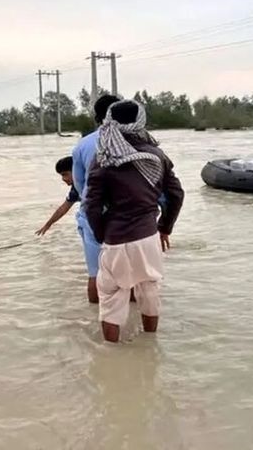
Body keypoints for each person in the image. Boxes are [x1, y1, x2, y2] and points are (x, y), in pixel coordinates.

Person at [85, 100, 184, 343]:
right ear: (141, 121)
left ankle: (111, 354)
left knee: (110, 298)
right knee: (149, 290)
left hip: (116, 238)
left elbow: (91, 205)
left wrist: (101, 234)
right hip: (149, 236)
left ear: (109, 120)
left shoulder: (104, 158)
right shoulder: (158, 155)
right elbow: (176, 195)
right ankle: (150, 344)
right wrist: (165, 228)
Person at [72, 94, 121, 303]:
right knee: (133, 277)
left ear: (96, 117)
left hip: (93, 214)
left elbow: (80, 184)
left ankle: (94, 324)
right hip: (127, 217)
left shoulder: (82, 145)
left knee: (95, 273)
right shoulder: (137, 141)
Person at [35, 156, 80, 236]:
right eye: (61, 175)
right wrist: (48, 224)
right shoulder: (76, 189)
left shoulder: (91, 183)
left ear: (76, 171)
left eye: (65, 174)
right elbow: (63, 208)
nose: (63, 179)